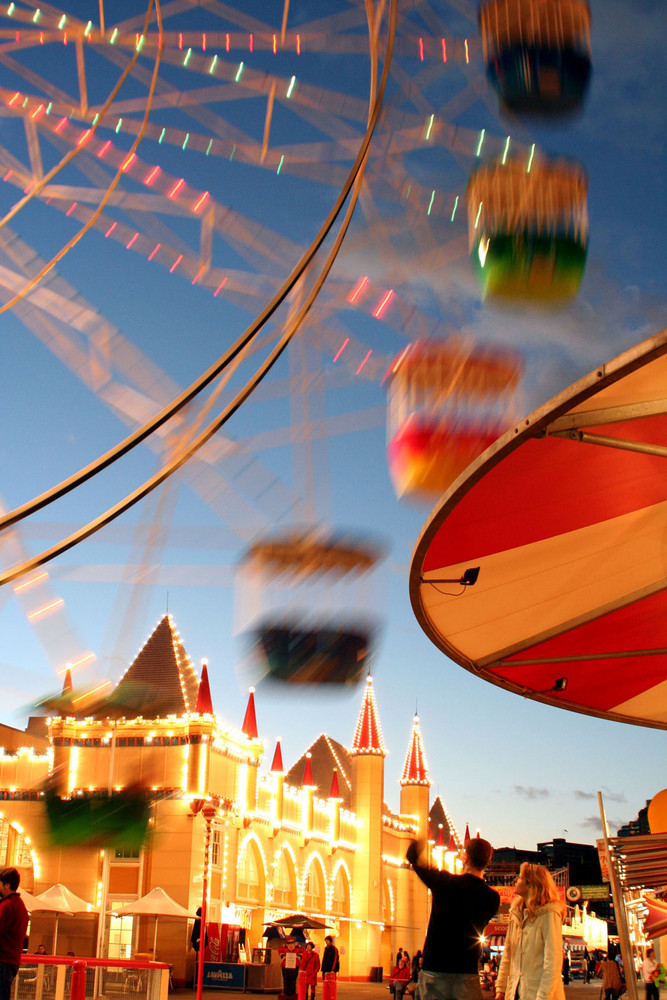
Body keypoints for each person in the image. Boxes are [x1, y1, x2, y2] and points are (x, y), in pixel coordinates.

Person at [406, 836, 500, 1000]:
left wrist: (417, 845)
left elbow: (416, 862)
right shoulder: (492, 898)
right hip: (467, 974)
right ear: (487, 862)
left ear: (465, 857)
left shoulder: (446, 883)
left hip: (435, 972)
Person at [495, 863, 565, 1000]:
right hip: (515, 992)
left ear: (530, 884)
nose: (516, 881)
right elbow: (508, 955)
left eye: (520, 878)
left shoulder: (549, 915)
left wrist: (543, 996)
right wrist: (501, 989)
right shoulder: (515, 914)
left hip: (539, 993)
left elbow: (553, 962)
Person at [0, 867, 29, 1000]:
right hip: (12, 962)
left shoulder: (6, 906)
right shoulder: (21, 906)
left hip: (2, 961)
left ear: (7, 885)